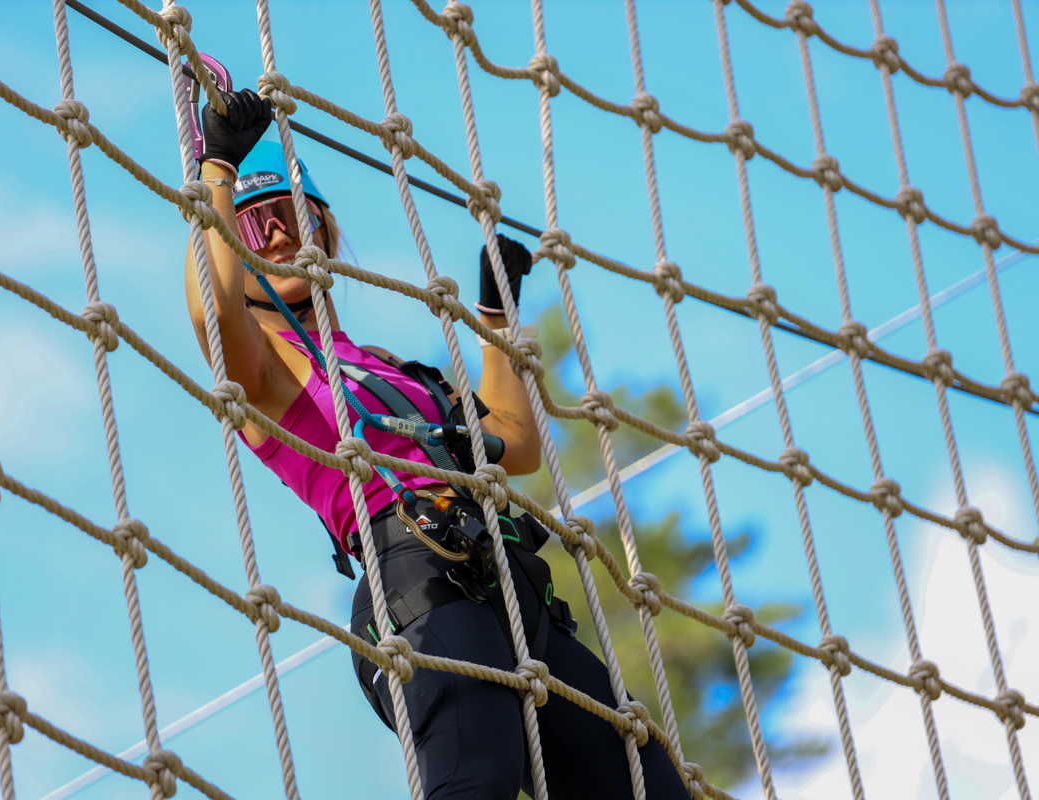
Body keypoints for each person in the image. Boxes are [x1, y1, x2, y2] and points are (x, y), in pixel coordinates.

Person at [183, 88, 689, 800]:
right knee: (477, 780)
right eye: (253, 224)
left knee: (651, 788)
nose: (273, 234)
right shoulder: (262, 368)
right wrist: (217, 172)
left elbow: (512, 444)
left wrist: (494, 317)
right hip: (416, 579)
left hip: (509, 583)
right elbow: (213, 308)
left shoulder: (385, 365)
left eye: (292, 214)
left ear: (325, 228)